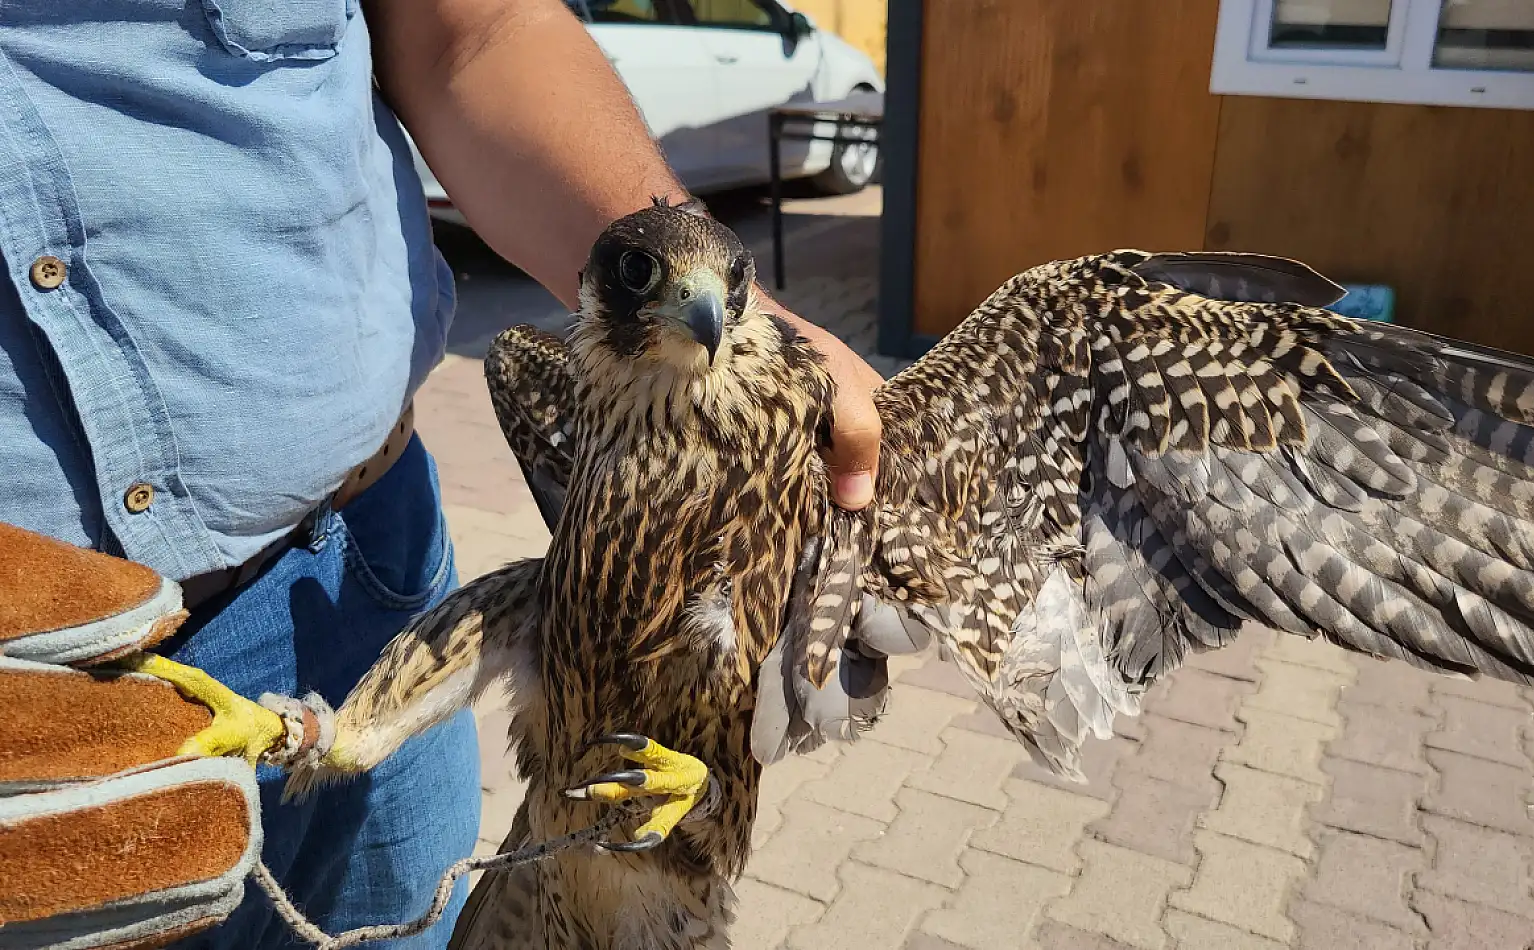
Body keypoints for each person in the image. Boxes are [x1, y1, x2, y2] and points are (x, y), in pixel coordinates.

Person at [0, 2, 884, 946]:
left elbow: (480, 27)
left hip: (359, 571)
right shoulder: (568, 386)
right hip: (45, 683)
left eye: (723, 296)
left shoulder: (750, 421)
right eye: (647, 284)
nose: (704, 312)